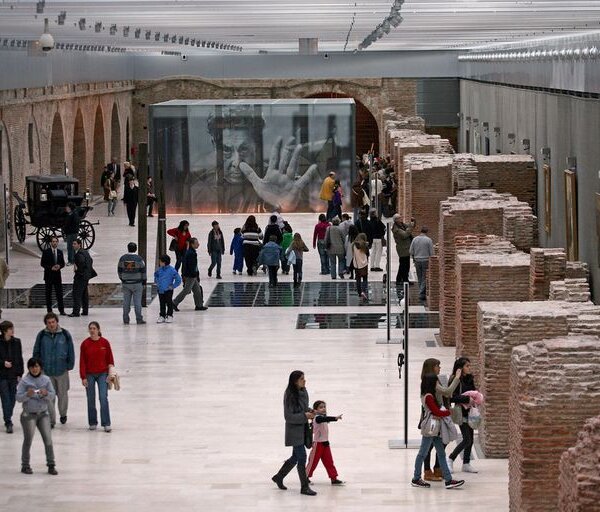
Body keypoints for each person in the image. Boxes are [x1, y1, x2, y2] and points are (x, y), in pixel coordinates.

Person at [411, 374, 464, 489]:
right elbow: (436, 412)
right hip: (430, 429)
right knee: (422, 453)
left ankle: (449, 480)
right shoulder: (429, 396)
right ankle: (416, 478)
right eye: (437, 382)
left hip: (435, 430)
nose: (438, 385)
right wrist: (448, 412)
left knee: (441, 454)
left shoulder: (431, 395)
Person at [271, 370, 317, 496]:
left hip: (303, 430)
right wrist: (305, 415)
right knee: (302, 457)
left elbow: (304, 407)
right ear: (295, 381)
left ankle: (279, 477)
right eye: (302, 378)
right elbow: (288, 416)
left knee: (296, 457)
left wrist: (311, 411)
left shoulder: (303, 391)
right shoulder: (289, 395)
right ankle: (304, 487)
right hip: (294, 432)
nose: (305, 380)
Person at [420, 358, 462, 482]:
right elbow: (447, 392)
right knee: (429, 446)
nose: (440, 368)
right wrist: (457, 378)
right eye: (438, 366)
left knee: (439, 443)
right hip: (434, 417)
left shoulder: (435, 380)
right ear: (432, 367)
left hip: (438, 415)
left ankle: (438, 469)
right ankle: (427, 472)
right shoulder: (431, 381)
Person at [16, 357, 58, 475]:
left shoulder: (46, 380)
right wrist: (26, 395)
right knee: (28, 440)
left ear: (40, 367)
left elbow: (53, 395)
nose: (35, 369)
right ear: (29, 368)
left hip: (43, 414)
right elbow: (18, 398)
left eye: (37, 366)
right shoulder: (24, 381)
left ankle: (51, 465)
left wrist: (46, 394)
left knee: (48, 439)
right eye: (32, 367)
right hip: (28, 415)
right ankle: (25, 465)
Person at [33, 313, 74, 428]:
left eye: (53, 322)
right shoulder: (41, 335)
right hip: (46, 371)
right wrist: (37, 367)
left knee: (63, 395)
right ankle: (51, 420)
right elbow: (36, 351)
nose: (51, 324)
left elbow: (71, 349)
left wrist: (69, 365)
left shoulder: (65, 334)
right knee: (49, 397)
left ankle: (63, 414)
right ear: (46, 324)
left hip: (62, 370)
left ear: (57, 322)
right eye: (49, 323)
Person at [80, 322, 115, 432]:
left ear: (98, 329)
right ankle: (92, 422)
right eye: (90, 328)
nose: (92, 330)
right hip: (89, 374)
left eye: (94, 328)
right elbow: (82, 362)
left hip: (102, 373)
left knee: (103, 397)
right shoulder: (85, 344)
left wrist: (111, 374)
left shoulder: (105, 342)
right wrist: (83, 377)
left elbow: (110, 359)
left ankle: (106, 423)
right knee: (90, 399)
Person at [448, 357, 479, 474]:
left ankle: (466, 463)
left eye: (469, 366)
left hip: (470, 411)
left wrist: (476, 397)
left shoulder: (470, 379)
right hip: (460, 412)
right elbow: (451, 397)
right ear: (460, 368)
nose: (469, 368)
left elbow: (473, 392)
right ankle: (451, 458)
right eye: (467, 366)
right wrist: (466, 398)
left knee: (470, 439)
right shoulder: (455, 380)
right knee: (466, 439)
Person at [306, 400, 344, 485]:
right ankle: (305, 477)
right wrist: (335, 418)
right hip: (318, 445)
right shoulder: (318, 418)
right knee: (313, 462)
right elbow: (324, 419)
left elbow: (325, 419)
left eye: (324, 407)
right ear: (315, 410)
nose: (323, 409)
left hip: (325, 444)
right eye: (320, 407)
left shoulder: (323, 418)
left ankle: (334, 478)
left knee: (329, 462)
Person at [0, 320, 24, 434]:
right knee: (5, 397)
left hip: (13, 375)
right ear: (5, 331)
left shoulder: (17, 342)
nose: (12, 330)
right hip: (2, 375)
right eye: (10, 329)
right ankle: (8, 421)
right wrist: (3, 363)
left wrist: (20, 373)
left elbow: (19, 358)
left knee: (13, 397)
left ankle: (8, 416)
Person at [173, 238, 208, 312]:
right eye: (196, 243)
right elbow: (190, 266)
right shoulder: (191, 253)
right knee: (186, 290)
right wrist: (192, 274)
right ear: (192, 244)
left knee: (197, 290)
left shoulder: (191, 252)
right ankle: (174, 302)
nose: (198, 244)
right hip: (191, 275)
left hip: (193, 275)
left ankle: (199, 305)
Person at [117, 242, 147, 325]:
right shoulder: (139, 259)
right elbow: (143, 271)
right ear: (136, 249)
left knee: (126, 302)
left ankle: (126, 319)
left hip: (126, 283)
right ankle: (139, 319)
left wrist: (122, 279)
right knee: (137, 302)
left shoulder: (122, 258)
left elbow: (119, 270)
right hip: (137, 283)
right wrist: (144, 282)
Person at [69, 239, 96, 317]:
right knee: (84, 294)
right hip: (86, 276)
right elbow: (91, 260)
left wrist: (78, 271)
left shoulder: (79, 254)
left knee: (77, 294)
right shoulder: (85, 252)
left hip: (80, 276)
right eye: (73, 244)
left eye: (74, 244)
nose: (73, 245)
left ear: (79, 244)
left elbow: (81, 263)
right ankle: (85, 310)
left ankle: (75, 312)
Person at [40, 236, 66, 316]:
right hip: (48, 276)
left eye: (56, 241)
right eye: (53, 241)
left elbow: (63, 263)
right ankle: (49, 311)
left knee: (59, 294)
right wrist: (51, 268)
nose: (54, 243)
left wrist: (59, 266)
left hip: (57, 276)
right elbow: (42, 263)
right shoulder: (46, 252)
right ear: (51, 243)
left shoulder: (60, 252)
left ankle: (61, 310)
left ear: (58, 242)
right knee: (48, 294)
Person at [154, 254, 182, 323]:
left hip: (168, 290)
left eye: (160, 261)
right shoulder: (159, 270)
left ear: (164, 262)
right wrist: (157, 283)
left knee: (169, 303)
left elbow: (178, 279)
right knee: (162, 303)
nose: (159, 263)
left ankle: (169, 315)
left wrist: (173, 286)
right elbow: (156, 276)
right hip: (160, 290)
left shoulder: (172, 270)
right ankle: (162, 315)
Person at [410, 226, 434, 302]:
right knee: (424, 277)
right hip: (426, 260)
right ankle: (421, 292)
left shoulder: (415, 239)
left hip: (417, 260)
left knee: (419, 276)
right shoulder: (428, 240)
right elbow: (432, 253)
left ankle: (421, 291)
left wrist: (414, 256)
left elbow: (411, 251)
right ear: (427, 232)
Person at [392, 214, 415, 284]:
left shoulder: (402, 225)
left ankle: (403, 279)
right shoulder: (396, 229)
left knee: (406, 265)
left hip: (406, 248)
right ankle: (402, 280)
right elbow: (405, 235)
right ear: (396, 220)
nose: (401, 219)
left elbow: (409, 226)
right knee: (403, 265)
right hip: (402, 249)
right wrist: (410, 226)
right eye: (399, 218)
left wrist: (413, 222)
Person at [352, 233, 370, 303]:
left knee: (358, 279)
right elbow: (368, 254)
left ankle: (359, 293)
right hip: (364, 263)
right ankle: (364, 291)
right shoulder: (364, 245)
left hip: (356, 264)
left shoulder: (354, 245)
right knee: (365, 278)